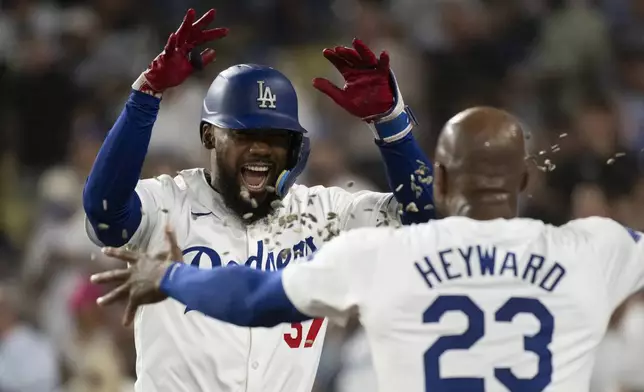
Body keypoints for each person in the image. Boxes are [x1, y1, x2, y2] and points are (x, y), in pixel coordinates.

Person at [93, 106, 644, 391]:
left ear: (443, 180)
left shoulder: (386, 257)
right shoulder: (593, 249)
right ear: (526, 181)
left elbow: (253, 299)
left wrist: (171, 277)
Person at [83, 8, 435, 392]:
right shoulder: (168, 201)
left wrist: (392, 125)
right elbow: (105, 213)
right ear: (208, 137)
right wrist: (145, 97)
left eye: (276, 138)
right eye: (244, 136)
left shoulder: (325, 214)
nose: (261, 149)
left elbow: (424, 226)